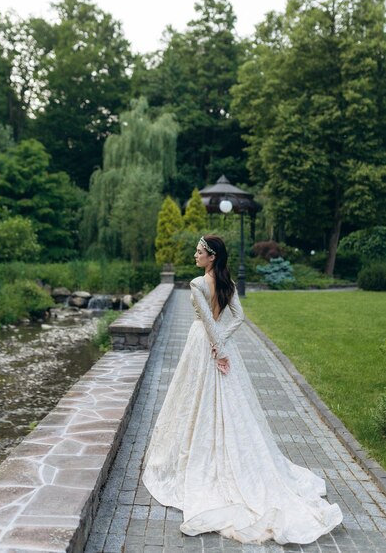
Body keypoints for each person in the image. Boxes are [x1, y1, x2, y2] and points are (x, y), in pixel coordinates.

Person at [142, 234, 343, 545]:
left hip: (204, 346)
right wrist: (223, 342)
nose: (195, 255)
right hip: (218, 345)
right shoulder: (227, 282)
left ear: (212, 257)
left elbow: (208, 321)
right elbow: (238, 318)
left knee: (197, 398)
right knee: (210, 399)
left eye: (199, 252)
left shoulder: (198, 284)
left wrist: (217, 348)